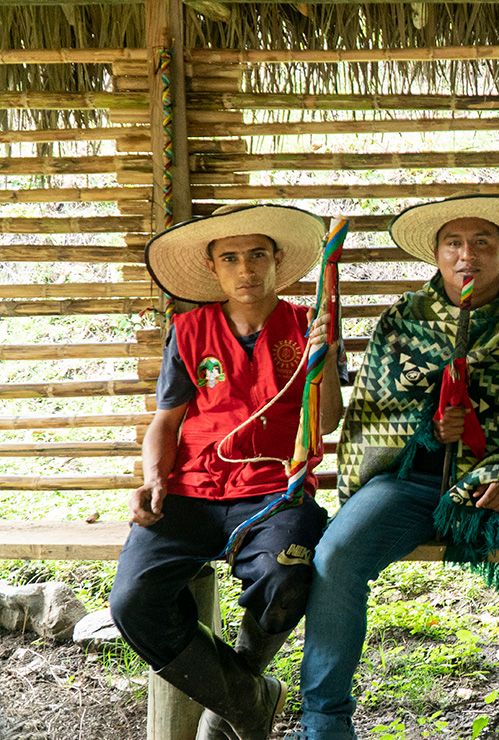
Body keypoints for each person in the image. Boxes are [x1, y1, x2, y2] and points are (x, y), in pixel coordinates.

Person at [291, 194, 499, 740]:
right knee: (336, 555)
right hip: (414, 485)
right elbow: (373, 417)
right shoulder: (403, 324)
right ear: (436, 254)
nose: (467, 255)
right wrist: (429, 429)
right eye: (454, 243)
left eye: (482, 242)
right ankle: (324, 721)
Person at [110, 204, 343, 740]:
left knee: (288, 574)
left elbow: (326, 421)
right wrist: (152, 477)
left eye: (258, 255)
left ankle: (234, 694)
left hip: (275, 491)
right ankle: (246, 698)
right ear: (214, 268)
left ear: (278, 261)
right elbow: (165, 422)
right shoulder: (190, 331)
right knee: (133, 602)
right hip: (191, 491)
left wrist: (323, 357)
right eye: (231, 258)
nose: (246, 270)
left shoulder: (308, 325)